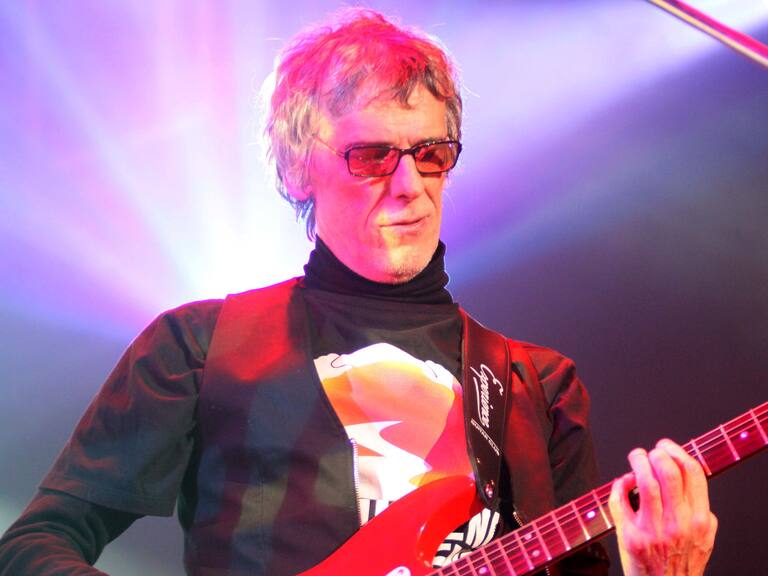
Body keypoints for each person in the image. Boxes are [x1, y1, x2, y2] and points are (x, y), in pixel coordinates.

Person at [0, 8, 717, 576]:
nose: (409, 186)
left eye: (431, 154)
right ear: (295, 170)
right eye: (373, 155)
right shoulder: (200, 347)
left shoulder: (539, 387)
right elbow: (37, 544)